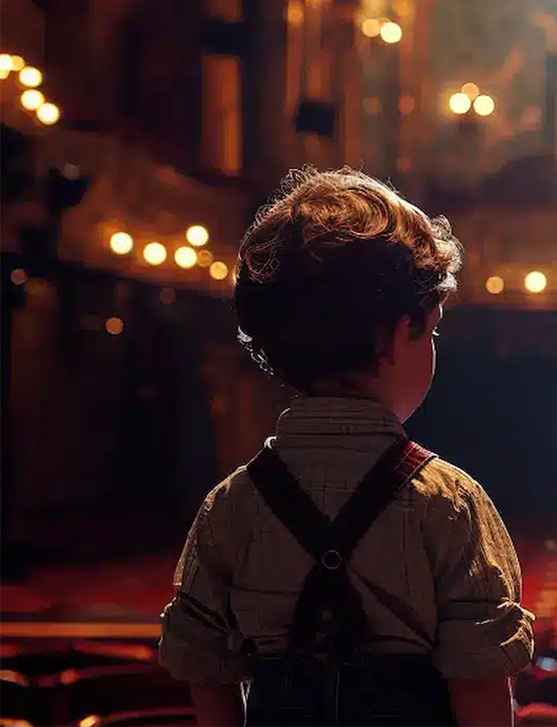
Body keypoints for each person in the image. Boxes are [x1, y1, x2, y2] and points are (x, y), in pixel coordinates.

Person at [158, 168, 534, 726]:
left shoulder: (229, 506)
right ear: (394, 336)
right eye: (430, 331)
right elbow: (480, 690)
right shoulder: (452, 503)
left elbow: (206, 673)